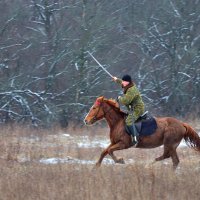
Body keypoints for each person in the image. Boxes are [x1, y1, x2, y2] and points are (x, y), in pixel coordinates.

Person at [113, 74, 145, 145]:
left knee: (129, 121)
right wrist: (116, 79)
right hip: (133, 108)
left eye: (124, 81)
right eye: (123, 81)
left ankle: (135, 138)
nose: (123, 82)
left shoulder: (131, 90)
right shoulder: (128, 85)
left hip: (138, 109)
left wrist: (119, 98)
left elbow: (126, 101)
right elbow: (122, 82)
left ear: (128, 82)